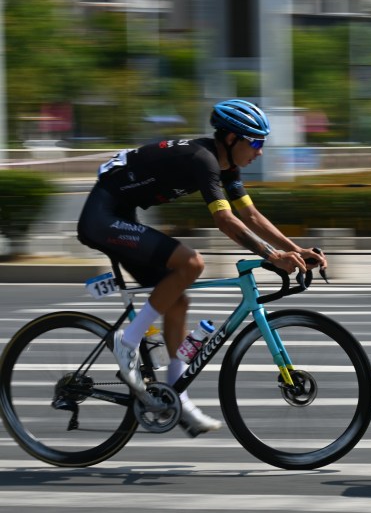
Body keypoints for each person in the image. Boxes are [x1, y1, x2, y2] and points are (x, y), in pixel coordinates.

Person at [77, 99, 326, 436]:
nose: (260, 151)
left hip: (122, 214)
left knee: (178, 300)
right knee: (191, 263)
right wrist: (270, 256)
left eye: (262, 142)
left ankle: (179, 398)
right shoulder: (203, 159)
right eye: (254, 142)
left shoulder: (227, 167)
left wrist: (294, 250)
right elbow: (224, 219)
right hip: (102, 218)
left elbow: (250, 216)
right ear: (230, 139)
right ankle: (127, 341)